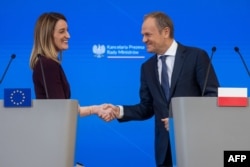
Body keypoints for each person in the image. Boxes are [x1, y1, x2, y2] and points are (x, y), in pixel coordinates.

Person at [79, 11, 220, 167]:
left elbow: (212, 97)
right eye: (142, 35)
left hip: (196, 142)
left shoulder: (196, 56)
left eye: (148, 35)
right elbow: (146, 108)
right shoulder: (147, 67)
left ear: (165, 32)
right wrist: (118, 111)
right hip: (164, 150)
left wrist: (182, 121)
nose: (143, 40)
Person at [29, 12, 110, 116]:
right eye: (62, 31)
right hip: (52, 130)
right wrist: (94, 109)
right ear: (48, 35)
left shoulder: (47, 63)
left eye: (67, 31)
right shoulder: (47, 64)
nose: (68, 35)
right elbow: (60, 107)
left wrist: (95, 109)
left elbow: (60, 106)